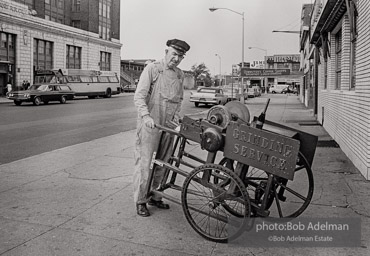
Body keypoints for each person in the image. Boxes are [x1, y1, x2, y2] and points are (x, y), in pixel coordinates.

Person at [133, 38, 190, 217]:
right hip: (151, 123)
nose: (176, 59)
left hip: (169, 126)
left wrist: (175, 119)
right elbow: (139, 97)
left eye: (180, 56)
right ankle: (141, 200)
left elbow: (179, 99)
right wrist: (146, 116)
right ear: (166, 52)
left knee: (164, 162)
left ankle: (155, 196)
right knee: (145, 163)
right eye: (174, 54)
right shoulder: (153, 69)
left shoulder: (180, 75)